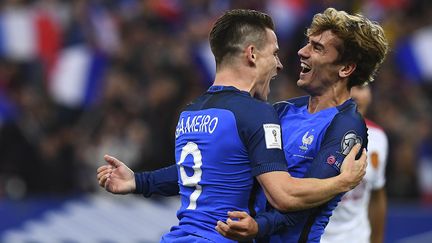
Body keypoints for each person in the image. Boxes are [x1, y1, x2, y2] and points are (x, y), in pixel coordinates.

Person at [96, 9, 367, 243]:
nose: (281, 63)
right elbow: (284, 196)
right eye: (274, 53)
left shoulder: (191, 112)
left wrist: (139, 181)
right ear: (251, 54)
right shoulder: (258, 114)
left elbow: (201, 170)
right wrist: (342, 181)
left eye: (316, 47)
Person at [213, 8, 388, 243]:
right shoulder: (282, 111)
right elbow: (222, 163)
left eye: (317, 48)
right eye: (308, 43)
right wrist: (148, 182)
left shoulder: (347, 127)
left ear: (345, 68)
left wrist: (259, 227)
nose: (301, 52)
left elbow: (299, 204)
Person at [320, 85, 388, 243]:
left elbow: (377, 195)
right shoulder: (314, 133)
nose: (356, 94)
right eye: (349, 86)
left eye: (362, 86)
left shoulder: (379, 138)